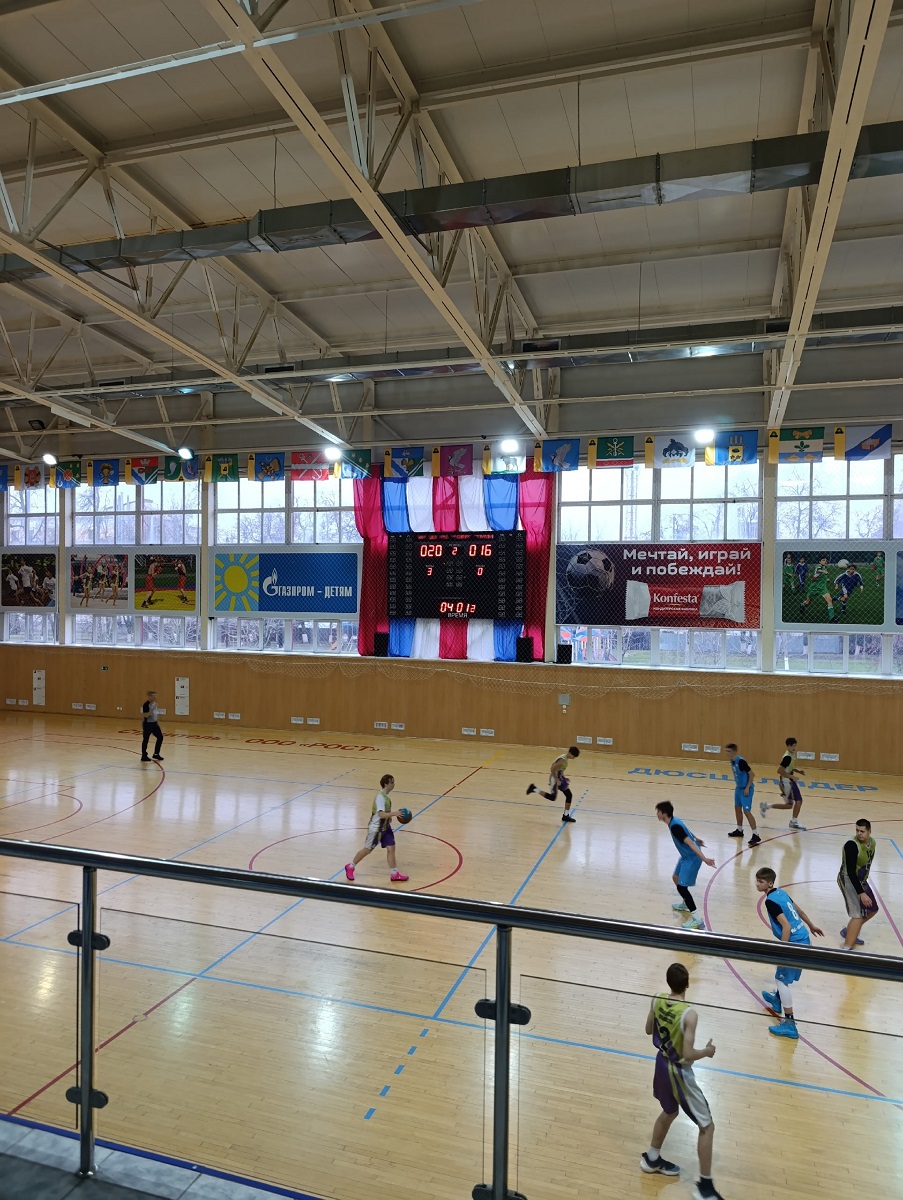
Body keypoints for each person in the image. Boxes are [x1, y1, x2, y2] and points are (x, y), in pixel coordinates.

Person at [641, 962, 723, 1200]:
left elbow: (648, 1030)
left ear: (668, 982)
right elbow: (688, 1053)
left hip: (660, 1063)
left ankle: (652, 1158)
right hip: (678, 1072)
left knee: (669, 1111)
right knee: (707, 1126)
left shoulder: (657, 998)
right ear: (687, 984)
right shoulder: (689, 1014)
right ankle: (705, 1188)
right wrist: (707, 1051)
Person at [756, 867, 823, 1039]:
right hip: (804, 938)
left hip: (795, 944)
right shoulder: (782, 893)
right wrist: (811, 925)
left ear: (770, 883)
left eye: (761, 881)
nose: (757, 884)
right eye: (757, 880)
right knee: (782, 976)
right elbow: (799, 911)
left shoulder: (770, 902)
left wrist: (782, 950)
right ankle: (777, 1000)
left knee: (781, 980)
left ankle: (790, 1024)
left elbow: (786, 926)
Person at [655, 801, 714, 931]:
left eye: (658, 811)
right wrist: (696, 838)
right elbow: (687, 832)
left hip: (692, 858)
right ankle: (685, 904)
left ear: (664, 813)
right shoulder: (674, 821)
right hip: (686, 856)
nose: (657, 814)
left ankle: (697, 920)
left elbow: (690, 844)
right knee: (676, 878)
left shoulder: (675, 827)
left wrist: (704, 859)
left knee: (682, 888)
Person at [344, 774, 408, 882]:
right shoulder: (380, 798)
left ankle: (394, 874)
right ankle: (350, 867)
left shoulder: (386, 795)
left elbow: (385, 812)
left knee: (391, 848)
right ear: (386, 784)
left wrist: (389, 817)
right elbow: (381, 815)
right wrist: (394, 814)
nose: (394, 784)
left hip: (385, 827)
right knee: (367, 850)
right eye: (392, 782)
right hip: (376, 829)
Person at [837, 818, 878, 950]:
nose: (859, 833)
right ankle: (846, 948)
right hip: (848, 880)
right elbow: (850, 872)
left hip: (861, 880)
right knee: (858, 915)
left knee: (872, 909)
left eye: (862, 831)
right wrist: (861, 893)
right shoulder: (851, 846)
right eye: (857, 830)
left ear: (869, 831)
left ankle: (849, 931)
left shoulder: (872, 843)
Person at [760, 737, 806, 830]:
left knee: (789, 805)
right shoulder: (787, 757)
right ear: (788, 746)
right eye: (792, 746)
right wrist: (792, 776)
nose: (794, 748)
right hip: (787, 782)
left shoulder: (791, 755)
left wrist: (798, 771)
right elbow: (780, 770)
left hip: (789, 781)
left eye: (795, 746)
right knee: (798, 801)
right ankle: (793, 822)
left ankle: (766, 806)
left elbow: (788, 767)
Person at [527, 746, 579, 823]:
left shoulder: (564, 758)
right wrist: (556, 779)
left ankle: (565, 815)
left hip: (559, 778)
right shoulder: (562, 760)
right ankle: (534, 789)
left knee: (569, 795)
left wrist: (564, 778)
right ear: (571, 754)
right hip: (555, 779)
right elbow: (552, 768)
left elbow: (559, 770)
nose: (574, 758)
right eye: (574, 756)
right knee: (553, 797)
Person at [725, 744, 760, 846]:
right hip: (738, 788)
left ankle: (755, 835)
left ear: (734, 751)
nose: (727, 753)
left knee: (747, 811)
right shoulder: (732, 761)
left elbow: (752, 774)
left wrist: (748, 787)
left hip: (746, 789)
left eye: (729, 751)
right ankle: (739, 830)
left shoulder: (741, 762)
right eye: (726, 751)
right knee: (737, 809)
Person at [801, 555, 833, 620]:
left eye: (826, 560)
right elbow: (818, 570)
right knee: (808, 602)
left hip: (822, 588)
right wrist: (823, 571)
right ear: (819, 561)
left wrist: (826, 579)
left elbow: (819, 577)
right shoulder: (818, 566)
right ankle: (802, 605)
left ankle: (832, 618)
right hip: (814, 587)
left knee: (829, 600)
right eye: (823, 560)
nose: (825, 561)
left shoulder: (824, 568)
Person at [140, 689, 164, 762]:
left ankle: (156, 754)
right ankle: (144, 755)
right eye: (154, 696)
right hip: (148, 724)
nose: (155, 697)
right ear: (149, 697)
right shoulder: (146, 704)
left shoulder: (155, 703)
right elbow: (146, 715)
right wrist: (153, 708)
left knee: (160, 737)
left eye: (156, 696)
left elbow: (155, 713)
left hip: (154, 724)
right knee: (146, 739)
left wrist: (157, 720)